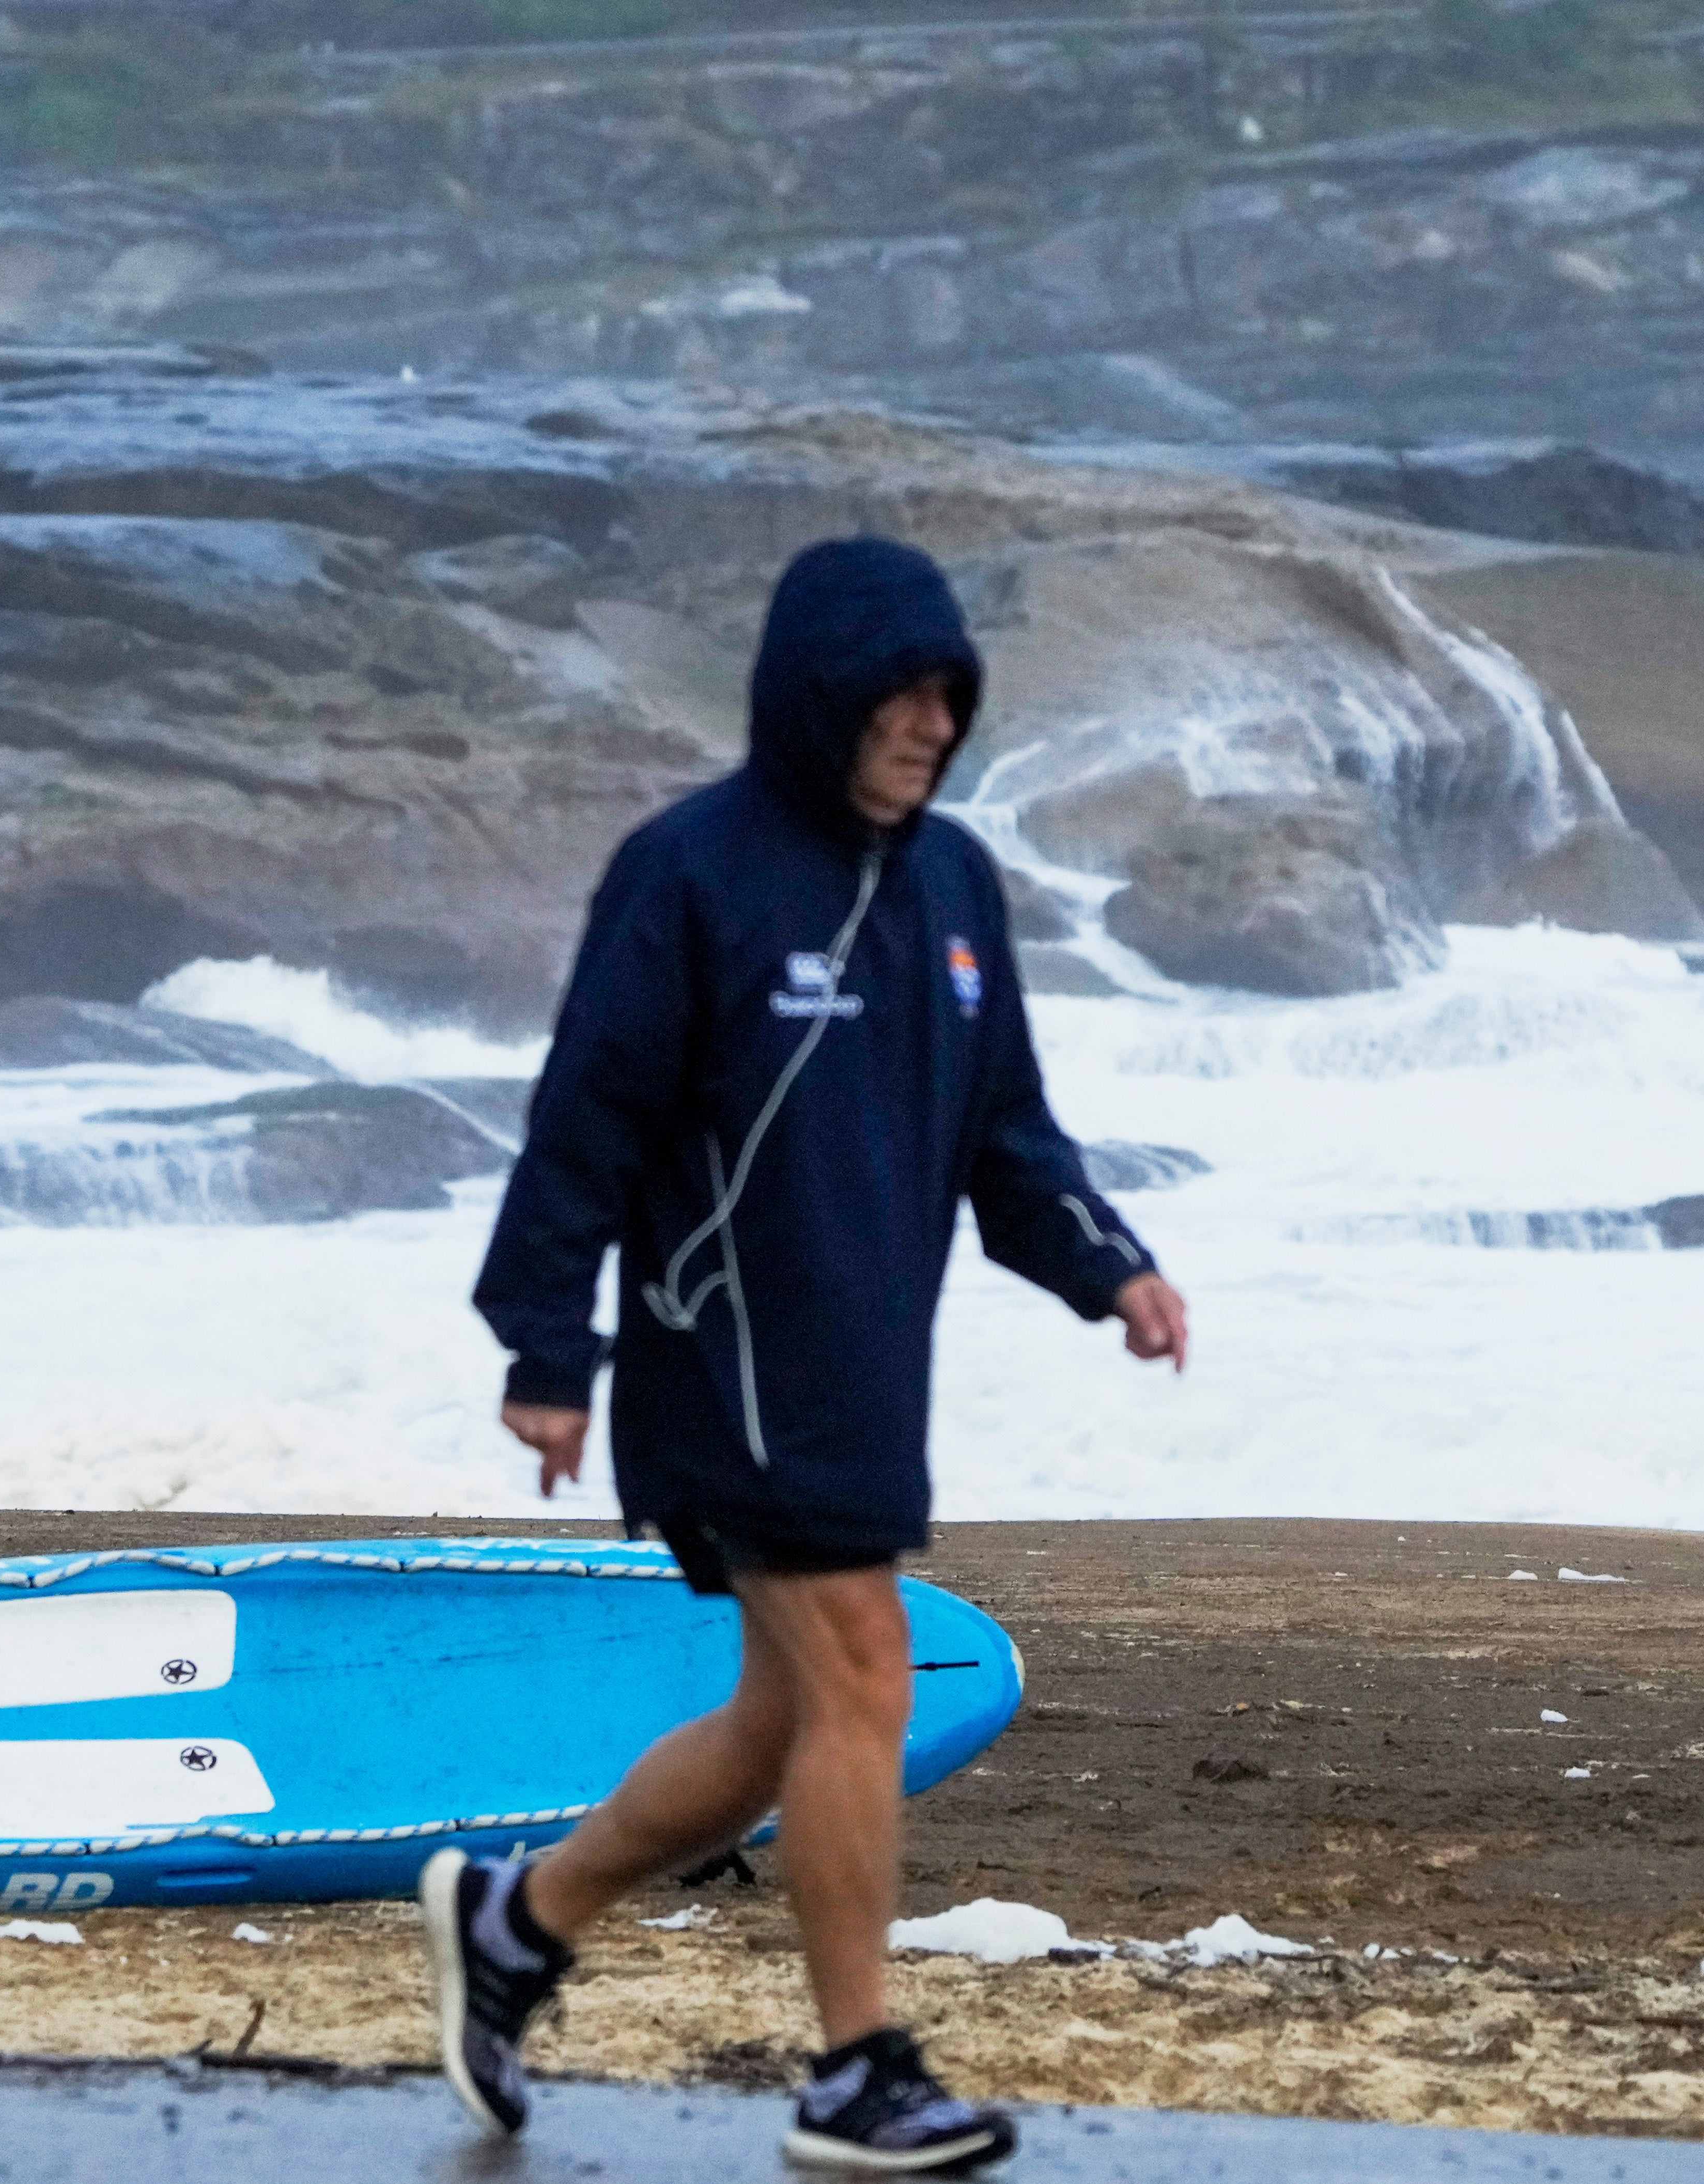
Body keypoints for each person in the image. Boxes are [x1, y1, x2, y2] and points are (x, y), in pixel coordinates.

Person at [430, 535, 1188, 2173]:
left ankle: (519, 1920)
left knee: (786, 1722)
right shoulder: (693, 871)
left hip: (858, 1367)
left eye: (948, 695)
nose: (928, 722)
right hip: (721, 1355)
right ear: (819, 694)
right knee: (865, 1669)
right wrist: (550, 1347)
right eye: (899, 693)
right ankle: (856, 2069)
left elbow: (1007, 1133)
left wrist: (1108, 1264)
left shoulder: (957, 886)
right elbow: (588, 1120)